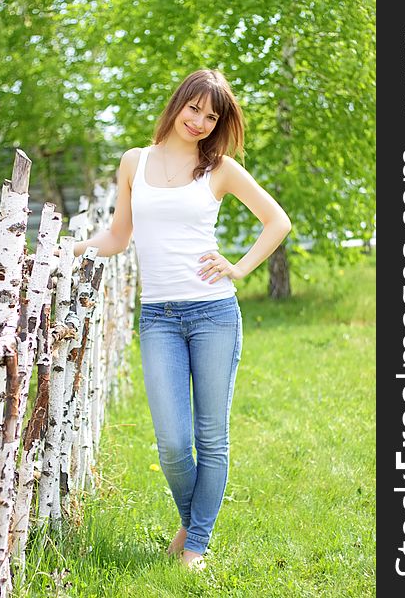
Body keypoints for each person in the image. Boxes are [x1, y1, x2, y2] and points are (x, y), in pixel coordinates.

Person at [72, 69, 291, 571]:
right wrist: (68, 249)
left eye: (212, 116)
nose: (200, 122)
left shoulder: (220, 169)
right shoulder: (135, 162)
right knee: (172, 443)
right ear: (178, 105)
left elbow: (277, 221)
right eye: (195, 109)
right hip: (159, 319)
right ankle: (193, 523)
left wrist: (237, 267)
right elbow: (117, 238)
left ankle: (195, 546)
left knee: (211, 436)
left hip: (214, 313)